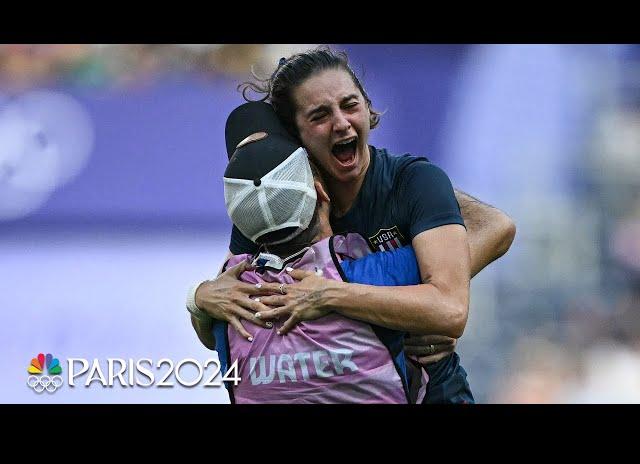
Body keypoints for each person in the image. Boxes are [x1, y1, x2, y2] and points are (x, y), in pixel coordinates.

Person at [189, 47, 516, 403]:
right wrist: (199, 299)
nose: (342, 123)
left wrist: (348, 300)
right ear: (296, 135)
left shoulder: (413, 181)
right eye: (320, 115)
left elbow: (450, 308)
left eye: (350, 104)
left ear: (367, 106)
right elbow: (226, 323)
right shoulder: (285, 199)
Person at [200, 101, 465, 403]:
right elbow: (450, 290)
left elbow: (210, 328)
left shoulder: (228, 307)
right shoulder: (376, 272)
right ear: (322, 190)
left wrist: (197, 300)